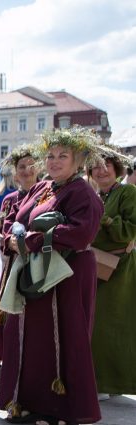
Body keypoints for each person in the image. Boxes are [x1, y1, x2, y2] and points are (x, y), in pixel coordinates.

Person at [0, 128, 104, 425]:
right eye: (51, 155)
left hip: (67, 274)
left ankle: (61, 408)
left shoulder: (82, 192)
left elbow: (82, 233)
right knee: (34, 338)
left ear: (79, 160)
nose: (54, 161)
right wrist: (10, 237)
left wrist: (35, 240)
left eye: (63, 156)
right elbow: (16, 218)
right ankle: (30, 401)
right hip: (38, 273)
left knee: (63, 336)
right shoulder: (45, 188)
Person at [0, 146, 38, 383]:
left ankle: (27, 361)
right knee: (2, 311)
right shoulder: (9, 199)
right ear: (15, 175)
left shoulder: (46, 194)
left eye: (30, 165)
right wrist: (6, 239)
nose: (26, 170)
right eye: (21, 167)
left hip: (36, 262)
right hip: (12, 261)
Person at [88, 148, 136, 396]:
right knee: (96, 325)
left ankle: (110, 384)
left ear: (117, 168)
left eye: (106, 164)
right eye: (96, 166)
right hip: (96, 266)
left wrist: (106, 220)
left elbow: (129, 231)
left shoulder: (127, 192)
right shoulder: (94, 195)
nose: (101, 169)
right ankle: (103, 382)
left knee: (113, 325)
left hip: (120, 269)